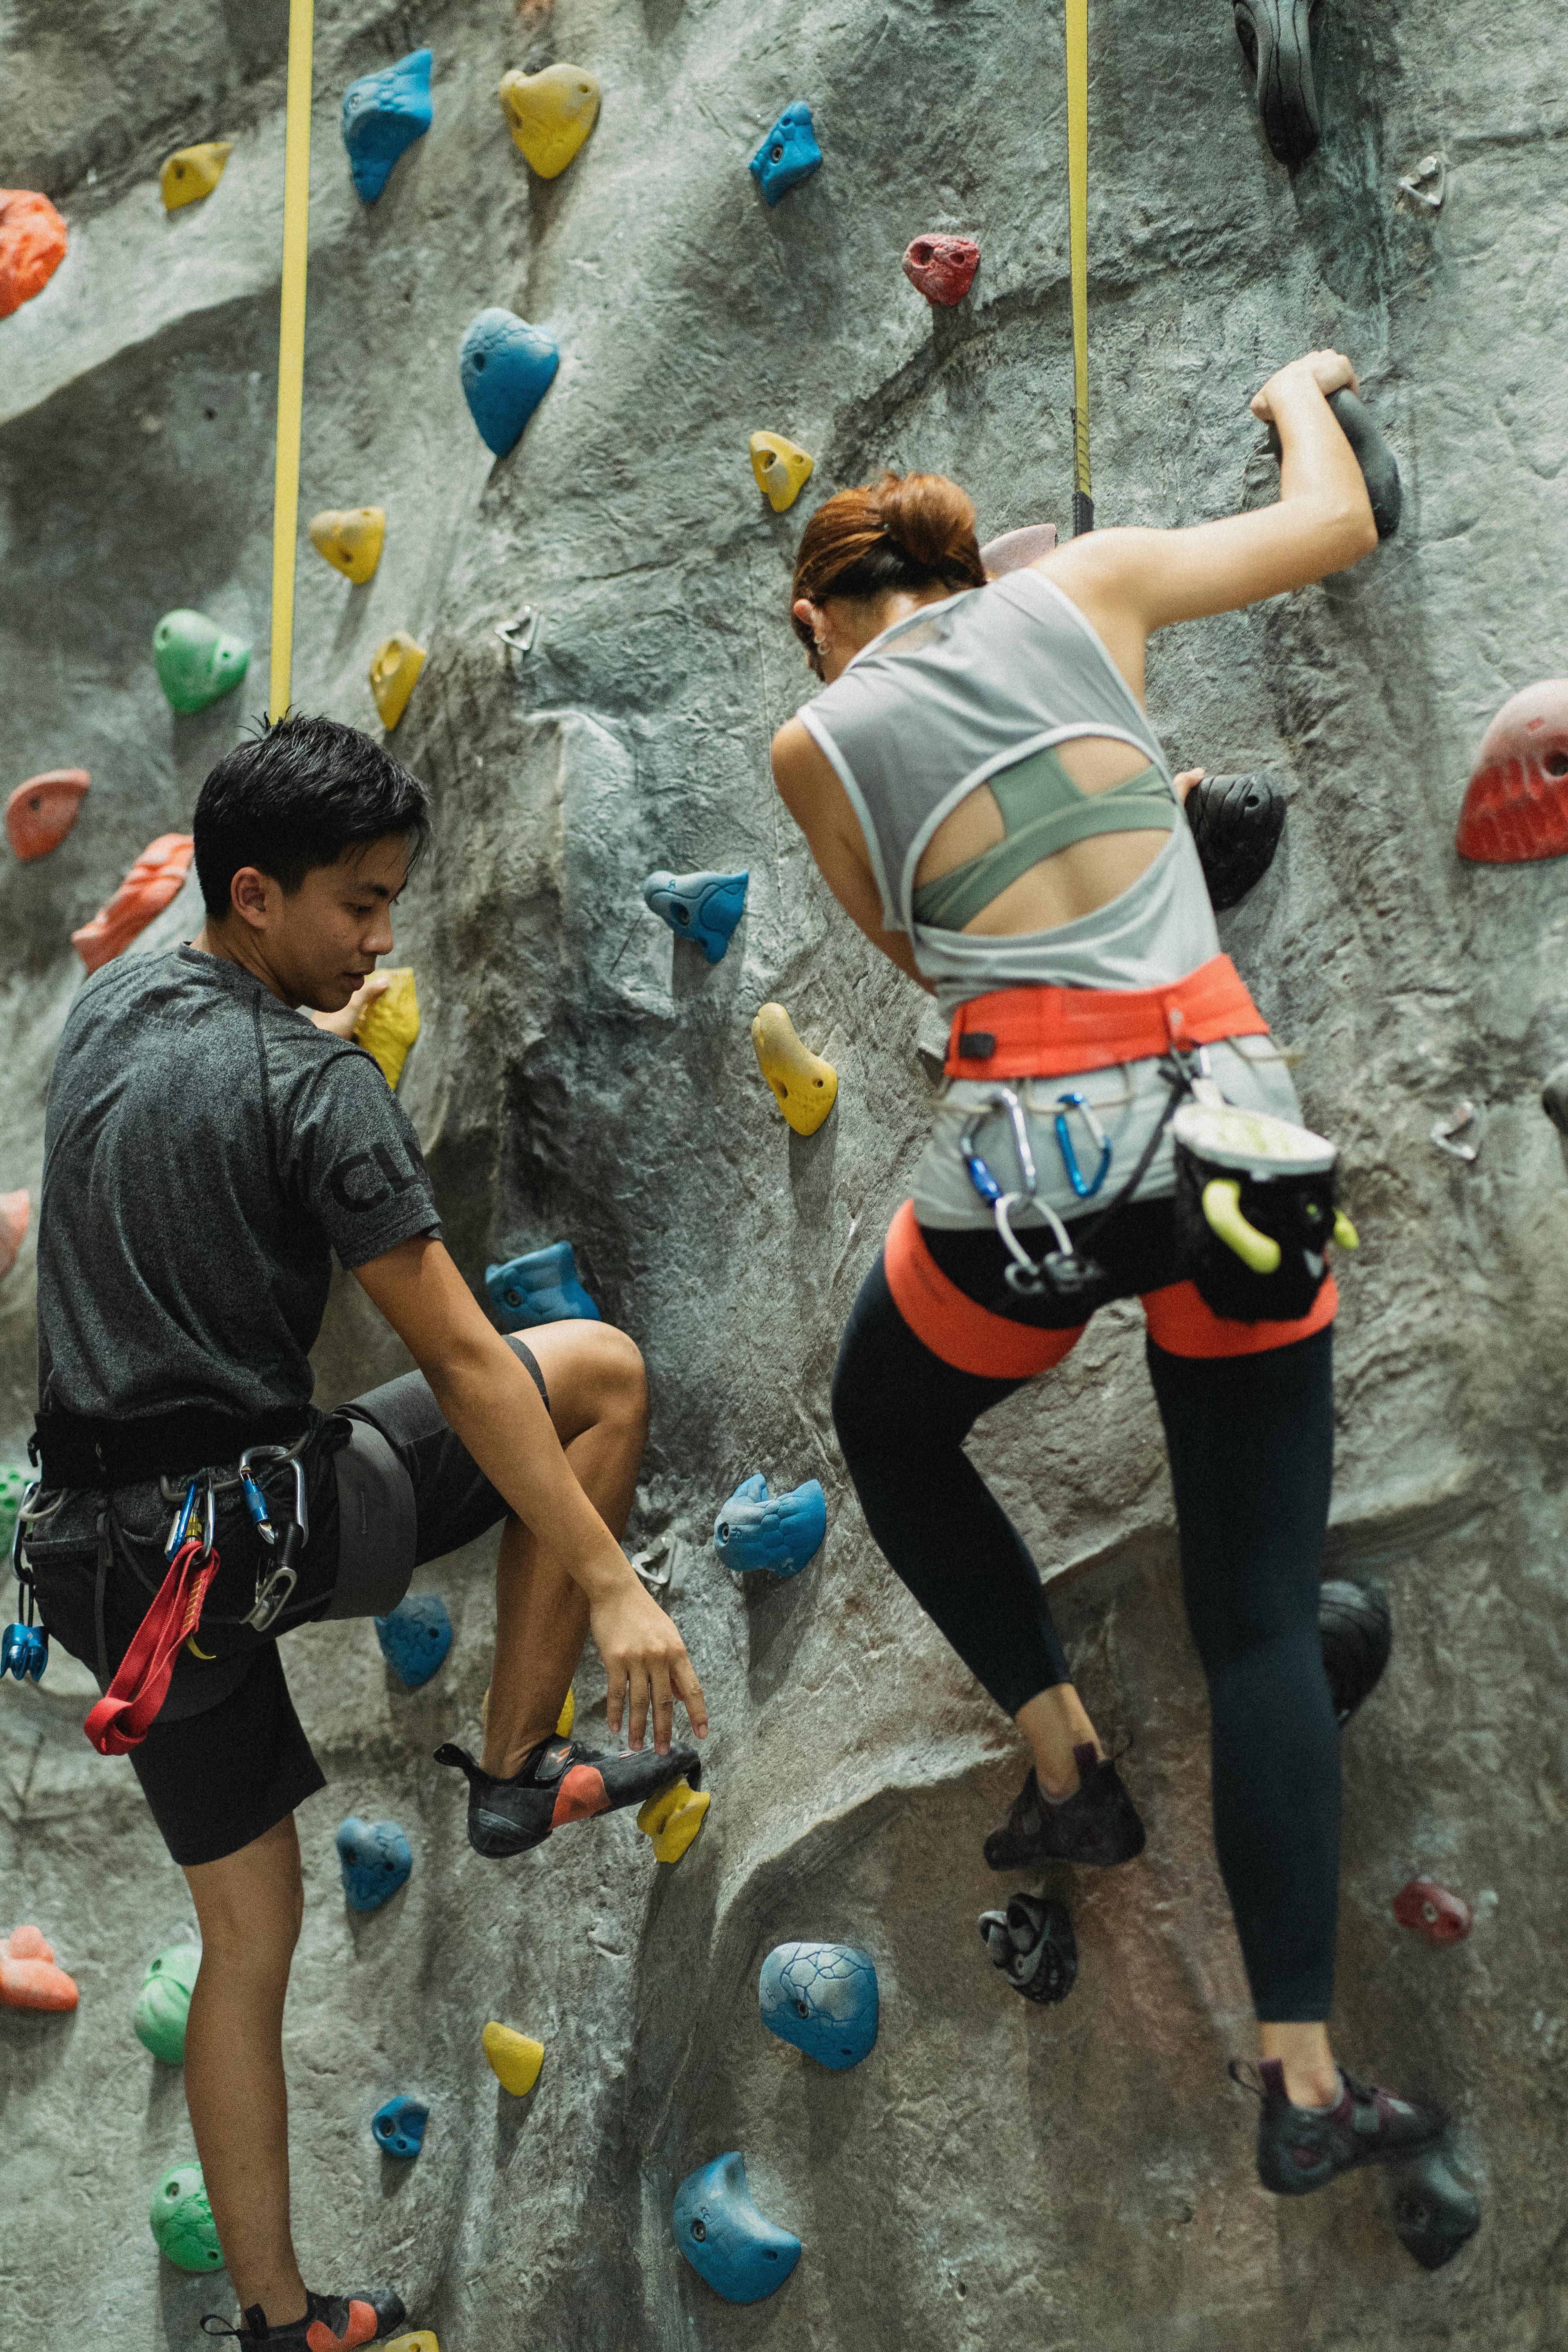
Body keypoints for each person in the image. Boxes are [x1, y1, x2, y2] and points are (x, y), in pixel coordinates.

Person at [769, 351, 1441, 2196]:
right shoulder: (1091, 590)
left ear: (822, 620)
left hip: (1033, 1180)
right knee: (1254, 1621)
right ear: (969, 570)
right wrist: (1300, 387)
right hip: (1230, 1135)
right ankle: (1302, 2088)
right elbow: (1339, 521)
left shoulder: (813, 738)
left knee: (890, 1430)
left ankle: (1067, 1768)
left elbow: (921, 959)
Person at [16, 715, 708, 2348]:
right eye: (357, 903)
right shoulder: (313, 1085)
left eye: (396, 898)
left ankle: (279, 2323)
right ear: (253, 895)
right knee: (596, 1378)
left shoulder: (107, 1015)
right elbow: (470, 1364)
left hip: (101, 1572)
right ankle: (517, 1763)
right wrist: (612, 1586)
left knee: (245, 1936)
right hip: (248, 1535)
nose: (383, 936)